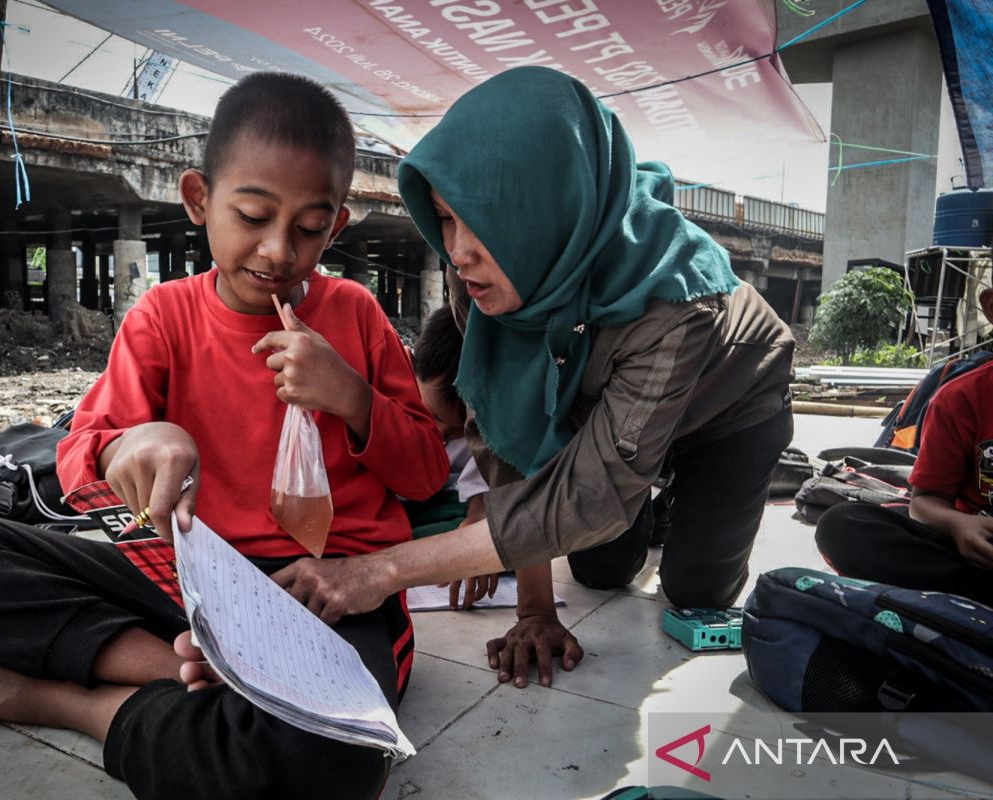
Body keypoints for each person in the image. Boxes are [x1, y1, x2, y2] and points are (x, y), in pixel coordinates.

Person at [0, 72, 448, 800]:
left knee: (328, 761)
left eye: (307, 229)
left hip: (329, 597)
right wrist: (127, 445)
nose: (277, 251)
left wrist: (355, 399)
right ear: (200, 201)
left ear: (335, 227)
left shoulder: (357, 315)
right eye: (252, 216)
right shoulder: (163, 318)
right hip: (190, 589)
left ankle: (59, 699)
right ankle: (193, 674)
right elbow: (79, 457)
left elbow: (427, 477)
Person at [274, 66, 795, 690]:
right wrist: (535, 611)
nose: (459, 250)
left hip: (731, 408)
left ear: (549, 206)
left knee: (695, 589)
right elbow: (503, 425)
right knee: (602, 571)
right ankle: (645, 490)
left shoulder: (673, 302)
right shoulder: (480, 282)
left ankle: (674, 493)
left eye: (482, 223)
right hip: (612, 411)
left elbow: (587, 500)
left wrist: (379, 571)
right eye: (444, 217)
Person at [815, 288, 993, 606]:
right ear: (992, 307)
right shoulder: (961, 398)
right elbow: (924, 503)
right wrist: (959, 524)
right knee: (843, 525)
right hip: (976, 559)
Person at [404, 306, 496, 608]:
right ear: (408, 367)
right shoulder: (391, 392)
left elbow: (481, 502)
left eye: (456, 430)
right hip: (399, 505)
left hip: (447, 505)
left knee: (498, 531)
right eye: (430, 415)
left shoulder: (486, 427)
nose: (440, 434)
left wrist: (474, 534)